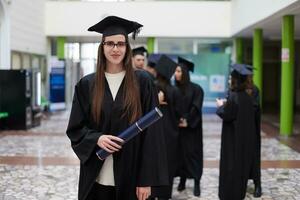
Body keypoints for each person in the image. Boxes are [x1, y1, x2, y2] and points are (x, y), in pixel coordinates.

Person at [66, 16, 168, 200]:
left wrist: (146, 179)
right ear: (102, 47)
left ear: (127, 48)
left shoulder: (142, 82)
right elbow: (75, 128)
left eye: (120, 44)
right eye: (110, 43)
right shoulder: (87, 84)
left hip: (132, 175)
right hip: (96, 176)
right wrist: (97, 139)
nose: (115, 49)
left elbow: (152, 134)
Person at [216, 64, 256, 200]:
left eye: (230, 78)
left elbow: (227, 115)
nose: (229, 80)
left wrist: (221, 106)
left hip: (232, 142)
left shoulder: (234, 96)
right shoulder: (248, 97)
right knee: (240, 171)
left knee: (230, 170)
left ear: (235, 80)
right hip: (244, 142)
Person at [150, 55, 182, 200]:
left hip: (153, 131)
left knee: (153, 163)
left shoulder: (151, 87)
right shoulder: (174, 90)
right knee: (168, 164)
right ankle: (165, 195)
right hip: (170, 133)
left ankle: (151, 193)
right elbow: (179, 113)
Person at [174, 57, 204, 197]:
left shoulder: (197, 89)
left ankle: (197, 182)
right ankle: (182, 180)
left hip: (192, 129)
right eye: (175, 71)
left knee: (193, 155)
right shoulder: (174, 89)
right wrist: (177, 119)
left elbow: (196, 107)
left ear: (185, 72)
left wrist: (187, 120)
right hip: (178, 129)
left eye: (179, 71)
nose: (176, 74)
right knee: (180, 156)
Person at [245, 65, 262, 198]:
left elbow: (255, 108)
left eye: (251, 76)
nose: (250, 78)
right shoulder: (237, 90)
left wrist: (249, 98)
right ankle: (243, 181)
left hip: (252, 130)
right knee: (242, 158)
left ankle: (258, 184)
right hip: (240, 130)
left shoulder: (255, 90)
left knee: (254, 157)